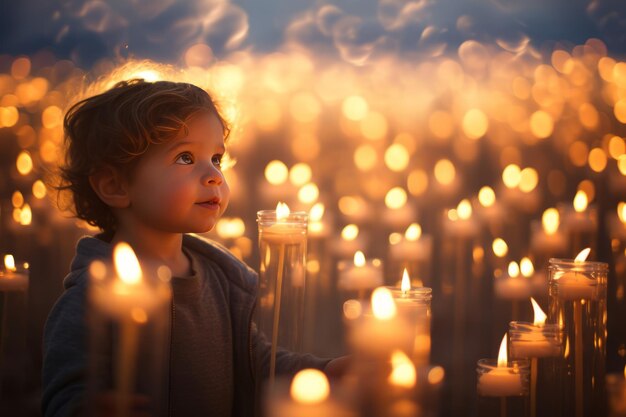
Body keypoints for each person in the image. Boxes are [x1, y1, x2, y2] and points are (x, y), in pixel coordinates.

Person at [42, 79, 345, 417]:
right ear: (115, 186)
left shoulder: (223, 280)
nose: (214, 175)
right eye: (185, 158)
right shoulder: (91, 298)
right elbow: (63, 395)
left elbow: (256, 364)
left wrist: (326, 371)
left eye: (216, 158)